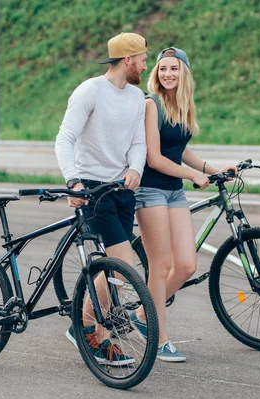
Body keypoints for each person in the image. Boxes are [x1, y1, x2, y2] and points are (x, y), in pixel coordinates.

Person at [130, 47, 237, 362]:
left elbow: (180, 150)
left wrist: (213, 170)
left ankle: (141, 313)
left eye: (174, 69)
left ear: (184, 73)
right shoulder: (152, 104)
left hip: (174, 191)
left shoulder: (183, 105)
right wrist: (193, 175)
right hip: (149, 190)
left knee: (187, 265)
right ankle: (159, 338)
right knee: (161, 266)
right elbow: (155, 158)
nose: (167, 74)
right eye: (163, 69)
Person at [54, 32, 148, 366]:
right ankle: (87, 329)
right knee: (122, 267)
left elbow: (139, 141)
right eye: (142, 59)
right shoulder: (90, 91)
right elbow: (65, 138)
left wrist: (135, 167)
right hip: (93, 188)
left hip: (122, 189)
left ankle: (89, 328)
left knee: (115, 272)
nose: (145, 64)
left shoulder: (137, 97)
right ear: (128, 60)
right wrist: (73, 182)